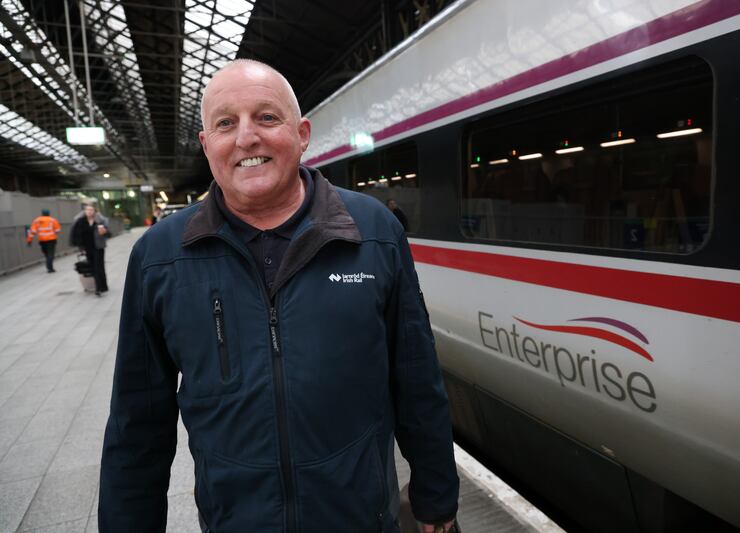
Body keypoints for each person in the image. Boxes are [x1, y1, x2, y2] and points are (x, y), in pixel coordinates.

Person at [99, 59, 459, 533]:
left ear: (302, 133)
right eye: (226, 123)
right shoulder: (160, 257)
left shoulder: (372, 232)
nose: (247, 137)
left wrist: (436, 496)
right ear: (209, 146)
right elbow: (138, 421)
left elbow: (416, 379)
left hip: (361, 519)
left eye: (267, 117)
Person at [70, 203, 110, 295]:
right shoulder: (81, 221)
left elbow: (108, 234)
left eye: (91, 210)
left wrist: (104, 231)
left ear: (95, 212)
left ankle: (99, 288)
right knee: (94, 267)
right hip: (88, 248)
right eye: (87, 210)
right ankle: (101, 286)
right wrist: (80, 247)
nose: (89, 211)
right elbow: (77, 235)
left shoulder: (99, 221)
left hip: (99, 247)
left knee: (99, 267)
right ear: (84, 211)